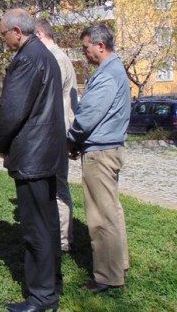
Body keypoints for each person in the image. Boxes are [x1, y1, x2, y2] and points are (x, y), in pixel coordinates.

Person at [0, 9, 67, 312]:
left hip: (33, 155)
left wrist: (0, 143)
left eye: (3, 34)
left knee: (36, 227)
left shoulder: (26, 59)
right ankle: (51, 283)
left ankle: (41, 296)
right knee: (47, 222)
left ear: (16, 31)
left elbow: (12, 111)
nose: (2, 39)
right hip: (47, 152)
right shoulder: (44, 54)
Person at [66, 23, 131, 293]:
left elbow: (88, 115)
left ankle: (107, 276)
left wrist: (71, 138)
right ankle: (119, 264)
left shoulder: (107, 75)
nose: (84, 53)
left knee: (101, 217)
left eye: (86, 48)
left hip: (101, 153)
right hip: (108, 149)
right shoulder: (114, 70)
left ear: (100, 45)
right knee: (112, 211)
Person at [35, 18, 78, 254]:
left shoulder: (56, 59)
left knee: (59, 187)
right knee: (55, 185)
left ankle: (62, 240)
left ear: (40, 34)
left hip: (56, 132)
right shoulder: (60, 57)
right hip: (58, 130)